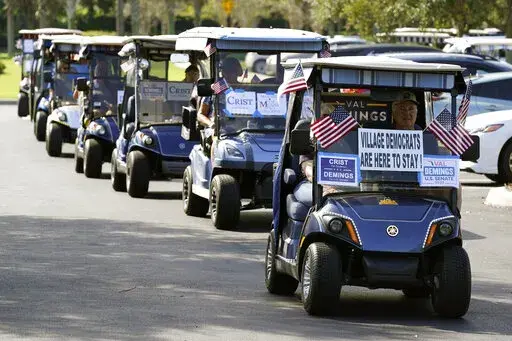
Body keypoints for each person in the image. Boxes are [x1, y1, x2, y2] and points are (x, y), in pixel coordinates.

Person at [196, 57, 243, 158]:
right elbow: (200, 115)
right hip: (217, 128)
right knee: (217, 140)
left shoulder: (243, 88)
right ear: (223, 72)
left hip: (240, 128)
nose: (232, 74)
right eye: (230, 71)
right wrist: (212, 124)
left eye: (234, 71)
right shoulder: (217, 87)